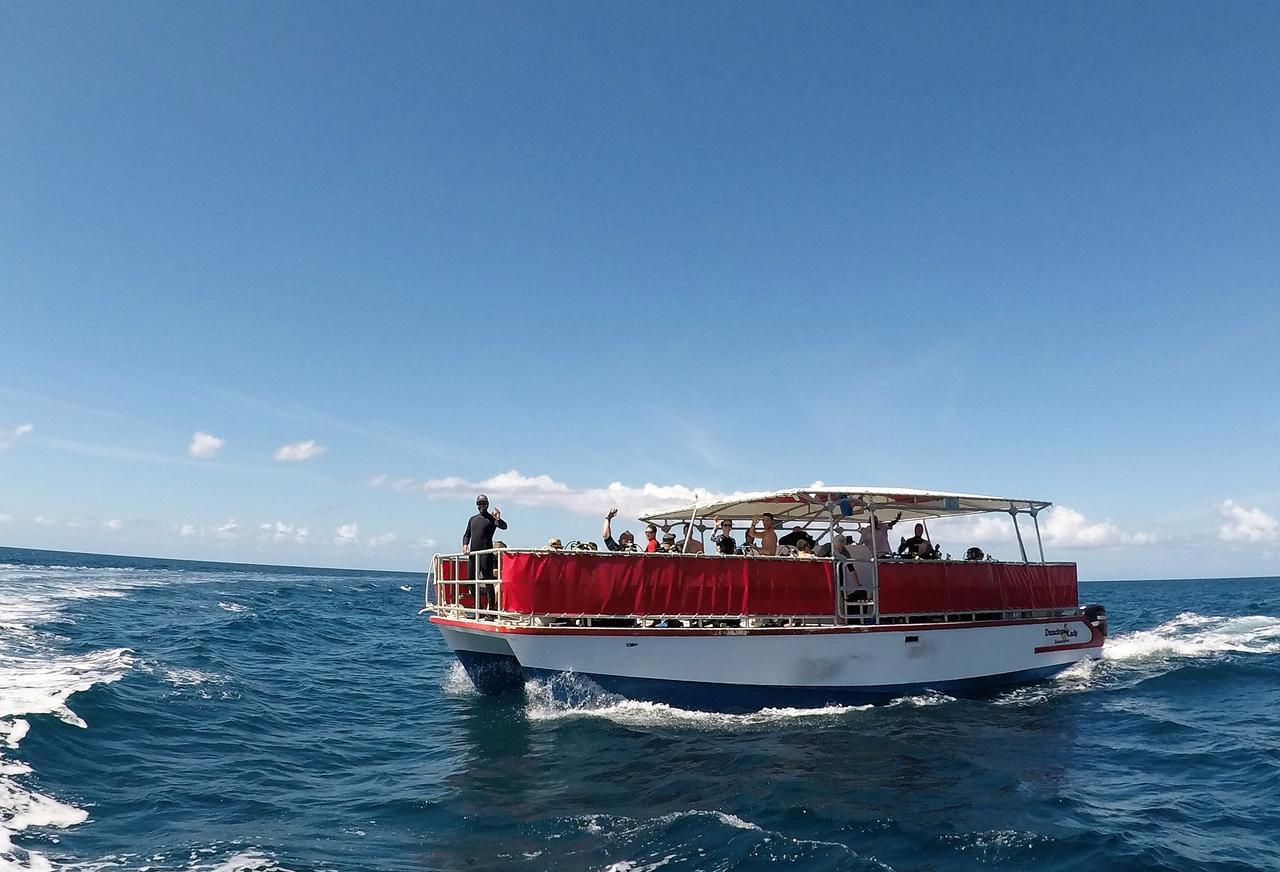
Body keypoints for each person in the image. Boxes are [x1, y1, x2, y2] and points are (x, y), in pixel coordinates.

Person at [462, 493, 507, 580]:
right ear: (477, 505)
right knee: (470, 581)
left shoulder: (492, 518)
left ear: (487, 505)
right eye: (479, 504)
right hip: (473, 555)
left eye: (484, 504)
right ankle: (474, 594)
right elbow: (467, 535)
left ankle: (490, 594)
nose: (481, 506)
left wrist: (498, 519)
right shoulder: (472, 519)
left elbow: (504, 526)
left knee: (488, 581)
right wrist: (465, 546)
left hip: (486, 555)